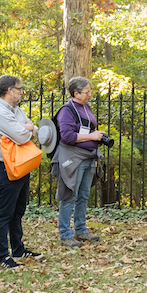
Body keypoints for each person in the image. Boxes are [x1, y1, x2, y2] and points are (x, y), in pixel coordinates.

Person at [0, 75, 44, 269]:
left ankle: (18, 249)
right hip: (7, 166)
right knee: (6, 212)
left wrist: (26, 128)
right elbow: (22, 136)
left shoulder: (15, 110)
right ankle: (2, 255)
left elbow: (32, 128)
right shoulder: (0, 113)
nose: (21, 92)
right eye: (19, 89)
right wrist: (26, 128)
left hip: (22, 163)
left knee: (19, 209)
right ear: (9, 90)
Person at [52, 76, 106, 248]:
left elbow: (87, 128)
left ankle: (81, 230)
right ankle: (65, 234)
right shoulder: (67, 110)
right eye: (86, 92)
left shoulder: (86, 107)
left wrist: (97, 135)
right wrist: (91, 136)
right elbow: (67, 136)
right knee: (69, 196)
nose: (90, 94)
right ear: (76, 93)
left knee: (83, 196)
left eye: (90, 91)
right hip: (72, 158)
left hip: (88, 156)